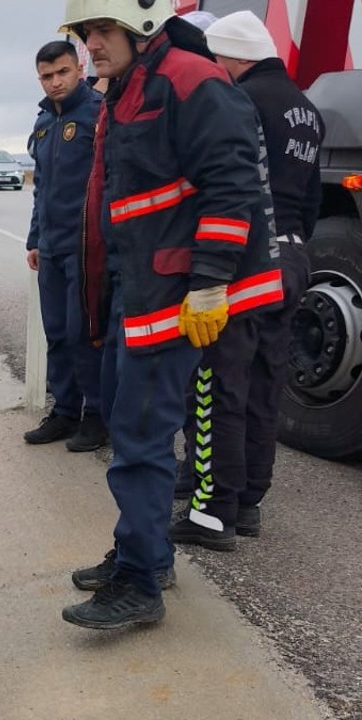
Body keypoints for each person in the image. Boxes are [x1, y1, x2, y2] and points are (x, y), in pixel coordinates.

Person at [57, 0, 283, 630]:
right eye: (84, 34)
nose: (90, 46)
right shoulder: (128, 88)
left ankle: (139, 581)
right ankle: (146, 555)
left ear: (142, 26)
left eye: (101, 31)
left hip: (179, 296)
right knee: (132, 427)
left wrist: (210, 282)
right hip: (143, 290)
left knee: (140, 438)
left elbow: (232, 185)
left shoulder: (189, 79)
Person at [170, 11, 324, 548]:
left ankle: (213, 511)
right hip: (294, 257)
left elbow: (229, 182)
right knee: (264, 383)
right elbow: (309, 201)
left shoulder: (240, 99)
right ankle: (250, 499)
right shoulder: (306, 108)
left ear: (232, 58)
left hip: (246, 257)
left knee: (215, 384)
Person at [23, 40, 108, 452]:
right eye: (47, 75)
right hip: (53, 247)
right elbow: (42, 188)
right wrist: (35, 239)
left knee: (84, 332)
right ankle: (65, 412)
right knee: (55, 332)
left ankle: (96, 417)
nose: (55, 82)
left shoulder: (98, 113)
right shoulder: (43, 123)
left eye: (62, 72)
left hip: (88, 246)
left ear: (79, 68)